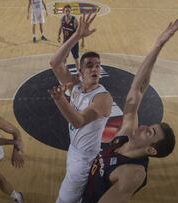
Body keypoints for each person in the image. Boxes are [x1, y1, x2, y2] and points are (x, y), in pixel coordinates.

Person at [81, 18, 178, 203]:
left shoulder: (132, 174)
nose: (144, 126)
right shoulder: (126, 133)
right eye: (149, 126)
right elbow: (138, 89)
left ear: (151, 150)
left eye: (150, 132)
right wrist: (158, 45)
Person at [49, 14, 113, 203]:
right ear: (81, 72)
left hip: (85, 159)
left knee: (64, 200)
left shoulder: (103, 98)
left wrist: (61, 100)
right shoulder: (75, 86)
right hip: (74, 150)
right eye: (90, 66)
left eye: (98, 66)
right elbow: (54, 63)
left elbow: (78, 122)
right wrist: (76, 36)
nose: (95, 69)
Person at [57, 4, 84, 71]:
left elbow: (80, 31)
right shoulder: (62, 19)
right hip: (66, 42)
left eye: (69, 10)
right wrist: (58, 36)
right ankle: (63, 70)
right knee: (64, 57)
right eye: (66, 10)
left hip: (73, 42)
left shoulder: (74, 20)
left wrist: (83, 41)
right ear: (64, 11)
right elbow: (60, 27)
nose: (67, 12)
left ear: (71, 11)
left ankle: (79, 72)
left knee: (76, 58)